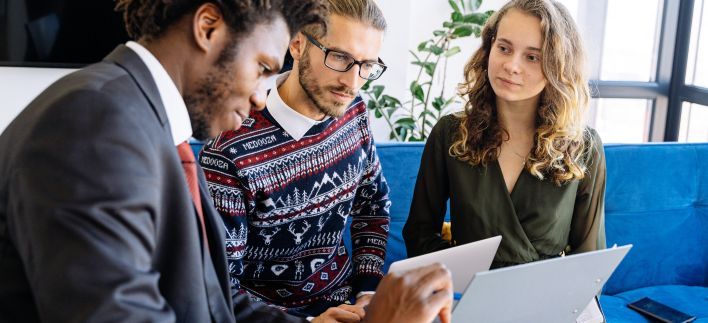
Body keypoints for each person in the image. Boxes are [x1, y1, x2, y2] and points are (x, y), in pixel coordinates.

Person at [0, 1, 453, 322]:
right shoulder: (94, 123)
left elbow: (212, 299)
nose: (261, 95)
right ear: (208, 26)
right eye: (261, 67)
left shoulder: (137, 117)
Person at [200, 0, 392, 320]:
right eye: (339, 57)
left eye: (366, 65)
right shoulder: (228, 152)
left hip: (348, 305)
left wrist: (368, 292)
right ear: (298, 45)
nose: (353, 82)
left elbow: (373, 205)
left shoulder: (354, 111)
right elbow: (219, 287)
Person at [404, 0, 606, 269]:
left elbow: (589, 261)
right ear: (489, 49)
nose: (511, 65)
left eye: (532, 57)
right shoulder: (450, 133)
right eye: (504, 48)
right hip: (467, 294)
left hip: (546, 301)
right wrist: (464, 278)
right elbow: (419, 236)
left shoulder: (584, 147)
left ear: (558, 66)